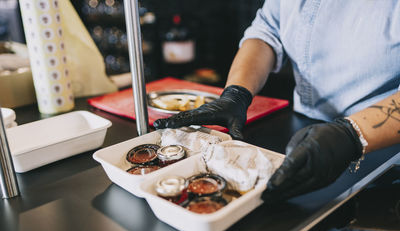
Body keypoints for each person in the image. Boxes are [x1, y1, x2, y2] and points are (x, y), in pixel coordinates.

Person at [154, 0, 400, 203]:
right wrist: (237, 93)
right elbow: (267, 32)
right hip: (307, 135)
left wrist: (352, 134)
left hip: (386, 153)